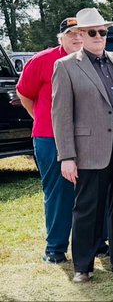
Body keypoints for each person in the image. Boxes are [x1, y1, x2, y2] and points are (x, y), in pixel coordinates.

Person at [52, 8, 113, 283]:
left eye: (102, 32)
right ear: (80, 35)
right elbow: (61, 115)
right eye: (92, 32)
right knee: (88, 208)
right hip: (90, 149)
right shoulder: (66, 66)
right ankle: (82, 267)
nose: (99, 36)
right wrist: (67, 156)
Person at [16, 16, 82, 265]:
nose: (76, 38)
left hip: (86, 137)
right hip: (49, 137)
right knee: (58, 192)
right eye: (71, 34)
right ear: (61, 37)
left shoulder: (91, 59)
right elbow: (24, 94)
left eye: (81, 33)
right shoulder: (43, 60)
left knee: (91, 191)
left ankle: (96, 242)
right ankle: (55, 247)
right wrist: (43, 119)